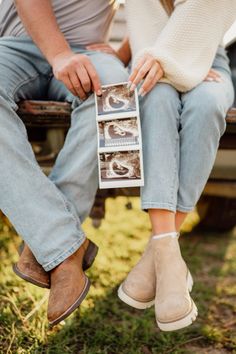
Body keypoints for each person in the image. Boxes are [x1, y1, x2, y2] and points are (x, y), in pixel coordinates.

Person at [0, 0, 130, 326]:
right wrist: (59, 55)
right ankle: (65, 246)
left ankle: (47, 245)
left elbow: (161, 8)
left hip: (89, 51)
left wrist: (125, 53)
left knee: (117, 90)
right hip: (14, 47)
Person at [118, 0, 236, 331]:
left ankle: (158, 256)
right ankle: (169, 260)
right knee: (155, 98)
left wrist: (183, 59)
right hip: (148, 56)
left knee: (207, 104)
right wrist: (164, 60)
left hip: (208, 56)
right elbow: (144, 30)